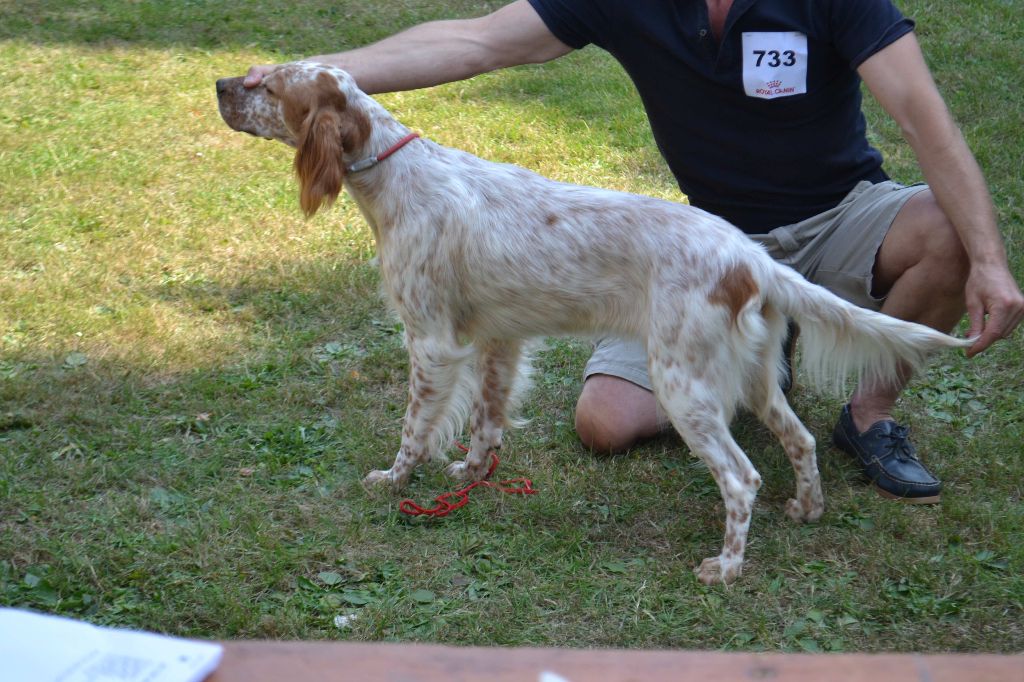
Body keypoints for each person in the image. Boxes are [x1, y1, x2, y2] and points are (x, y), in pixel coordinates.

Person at [244, 0, 1024, 503]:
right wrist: (317, 80)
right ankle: (756, 349)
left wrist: (989, 257)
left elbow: (925, 117)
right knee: (606, 423)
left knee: (951, 235)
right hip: (696, 247)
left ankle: (870, 413)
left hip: (839, 214)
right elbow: (475, 40)